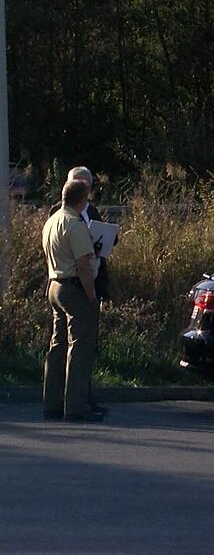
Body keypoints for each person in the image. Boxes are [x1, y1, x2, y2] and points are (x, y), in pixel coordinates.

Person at [48, 166, 114, 416]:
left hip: (56, 284)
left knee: (57, 347)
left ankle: (52, 404)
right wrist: (90, 294)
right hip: (74, 287)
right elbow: (84, 265)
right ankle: (75, 407)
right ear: (81, 197)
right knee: (80, 348)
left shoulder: (54, 220)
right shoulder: (72, 222)